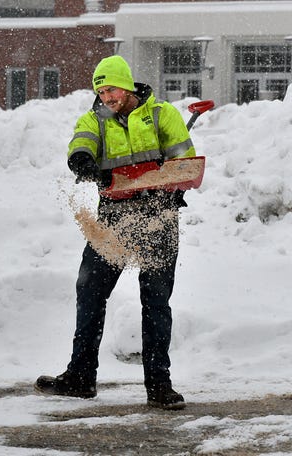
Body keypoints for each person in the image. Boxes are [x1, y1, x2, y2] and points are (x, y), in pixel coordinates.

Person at [35, 55, 195, 410]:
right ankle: (80, 377)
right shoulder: (94, 120)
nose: (106, 96)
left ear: (126, 84)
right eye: (100, 91)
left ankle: (159, 385)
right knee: (90, 288)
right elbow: (80, 144)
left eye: (110, 89)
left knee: (155, 301)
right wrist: (82, 161)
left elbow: (186, 161)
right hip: (113, 221)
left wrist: (174, 180)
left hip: (158, 217)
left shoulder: (161, 115)